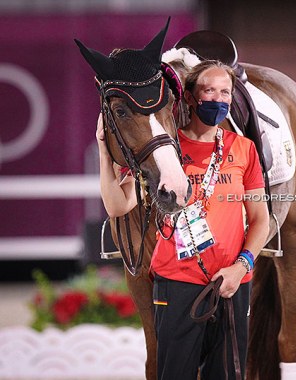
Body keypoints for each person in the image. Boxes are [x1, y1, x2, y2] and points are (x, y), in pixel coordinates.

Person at [97, 60, 269, 380]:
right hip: (176, 285)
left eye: (225, 92)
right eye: (209, 91)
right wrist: (103, 153)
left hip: (230, 285)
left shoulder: (243, 149)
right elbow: (118, 205)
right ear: (190, 97)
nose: (217, 99)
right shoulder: (165, 150)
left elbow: (261, 220)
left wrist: (242, 266)